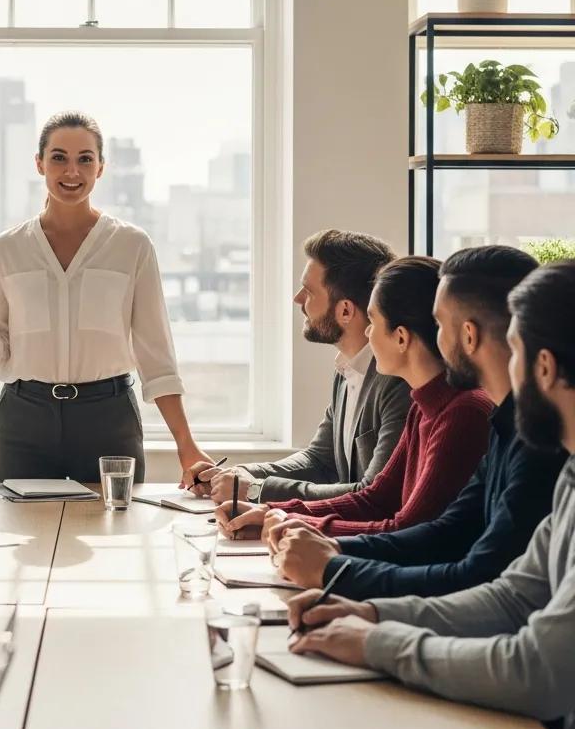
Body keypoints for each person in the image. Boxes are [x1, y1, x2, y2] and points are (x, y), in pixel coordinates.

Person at [285, 261, 575, 729]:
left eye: (516, 355)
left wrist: (378, 643)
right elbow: (512, 596)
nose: (502, 377)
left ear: (542, 367)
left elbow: (538, 669)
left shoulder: (498, 428)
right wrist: (373, 613)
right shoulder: (569, 472)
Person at [0, 110, 212, 483]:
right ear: (39, 163)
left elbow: (155, 354)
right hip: (24, 420)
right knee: (18, 534)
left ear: (101, 168)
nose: (71, 172)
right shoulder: (6, 249)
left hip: (108, 418)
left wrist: (186, 445)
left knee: (115, 532)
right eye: (59, 158)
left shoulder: (132, 246)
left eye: (85, 160)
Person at [271, 246, 564, 596]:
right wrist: (319, 541)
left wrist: (333, 567)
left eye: (438, 323)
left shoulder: (487, 419)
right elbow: (444, 528)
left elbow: (476, 571)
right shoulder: (500, 424)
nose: (435, 335)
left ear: (469, 336)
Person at [216, 257, 492, 540]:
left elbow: (409, 530)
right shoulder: (423, 407)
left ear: (401, 338)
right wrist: (276, 513)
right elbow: (376, 499)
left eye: (372, 320)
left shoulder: (463, 413)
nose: (368, 332)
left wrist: (299, 527)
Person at [187, 230, 410, 504]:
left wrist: (256, 490)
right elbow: (320, 460)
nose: (298, 299)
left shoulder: (397, 380)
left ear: (345, 311)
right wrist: (236, 475)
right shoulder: (347, 369)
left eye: (309, 291)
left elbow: (373, 494)